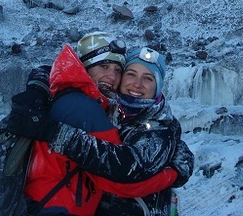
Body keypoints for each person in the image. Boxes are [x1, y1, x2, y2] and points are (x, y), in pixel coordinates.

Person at [11, 32, 179, 215]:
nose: (112, 77)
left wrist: (38, 85)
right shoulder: (85, 108)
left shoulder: (76, 96)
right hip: (58, 208)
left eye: (117, 70)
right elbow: (120, 179)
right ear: (85, 68)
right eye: (104, 66)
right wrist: (175, 172)